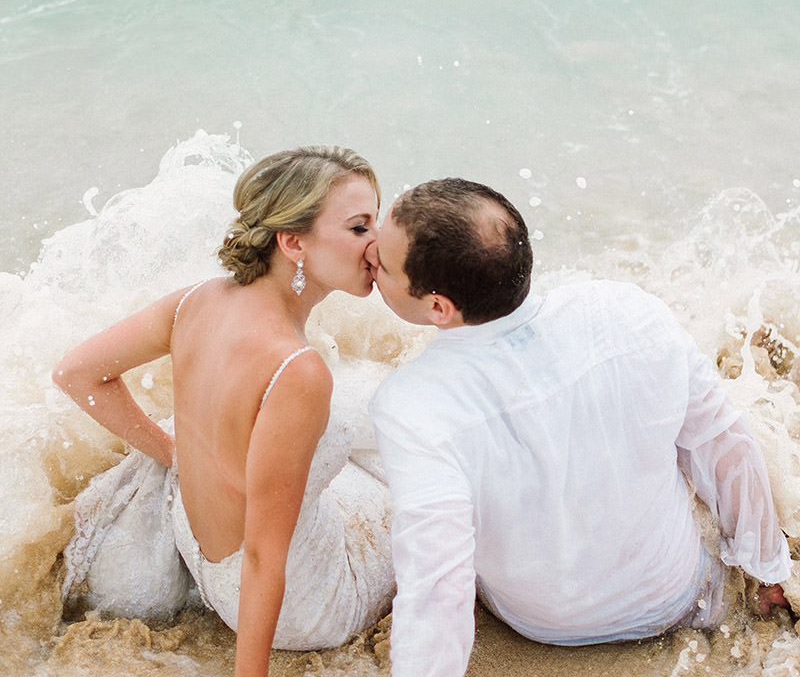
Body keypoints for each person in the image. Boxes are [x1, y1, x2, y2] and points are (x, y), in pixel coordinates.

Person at [366, 177, 792, 677]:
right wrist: (768, 571)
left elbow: (439, 584)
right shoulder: (628, 312)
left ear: (439, 307)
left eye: (382, 261)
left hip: (543, 625)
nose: (368, 250)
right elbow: (726, 445)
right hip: (675, 598)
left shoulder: (412, 403)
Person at [53, 146, 395, 677]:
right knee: (426, 495)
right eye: (359, 227)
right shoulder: (297, 370)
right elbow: (263, 556)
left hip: (203, 554)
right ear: (293, 241)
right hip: (300, 606)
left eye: (377, 221)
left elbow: (76, 374)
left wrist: (172, 453)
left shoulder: (196, 300)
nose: (379, 243)